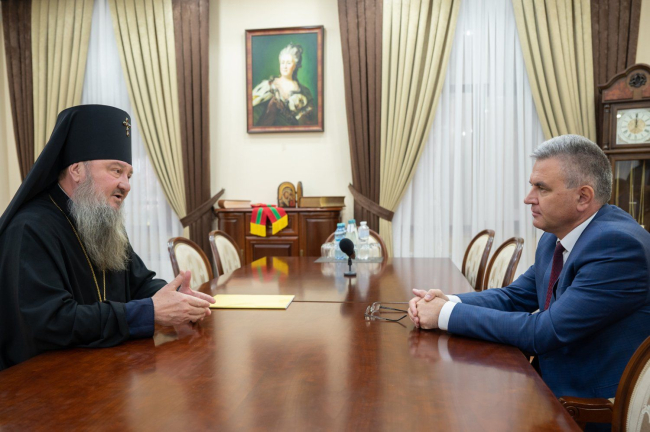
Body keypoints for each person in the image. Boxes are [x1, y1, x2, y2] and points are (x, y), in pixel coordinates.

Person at [408, 134, 650, 403]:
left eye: (541, 188)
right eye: (531, 186)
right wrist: (446, 301)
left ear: (583, 197)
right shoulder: (555, 236)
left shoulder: (617, 247)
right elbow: (514, 297)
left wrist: (444, 314)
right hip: (545, 380)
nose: (528, 198)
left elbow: (544, 332)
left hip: (586, 403)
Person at [0, 105, 215, 370]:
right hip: (44, 381)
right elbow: (51, 322)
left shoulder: (100, 221)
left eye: (129, 175)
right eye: (116, 171)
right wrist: (149, 311)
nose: (126, 185)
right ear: (77, 170)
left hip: (104, 370)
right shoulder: (30, 228)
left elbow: (139, 283)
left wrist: (177, 298)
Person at [252, 43, 316, 126]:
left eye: (288, 63)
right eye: (282, 63)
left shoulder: (305, 92)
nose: (285, 66)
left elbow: (310, 122)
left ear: (295, 65)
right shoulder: (267, 86)